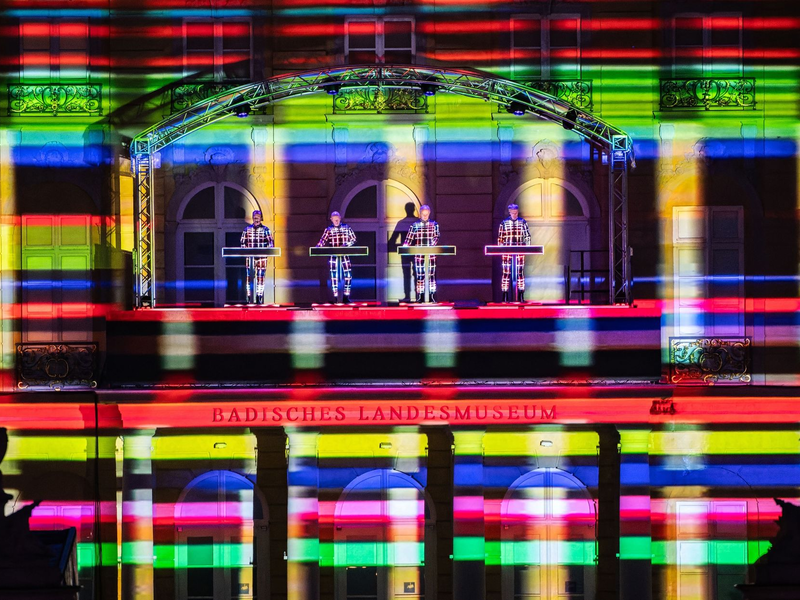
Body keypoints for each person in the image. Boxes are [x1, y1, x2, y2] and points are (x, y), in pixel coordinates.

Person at [317, 211, 357, 303]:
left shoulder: (346, 228)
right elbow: (322, 240)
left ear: (340, 219)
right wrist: (318, 247)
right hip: (333, 255)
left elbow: (353, 239)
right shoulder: (329, 229)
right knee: (333, 276)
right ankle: (335, 297)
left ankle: (346, 296)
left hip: (345, 254)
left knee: (348, 275)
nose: (336, 221)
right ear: (331, 220)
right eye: (334, 219)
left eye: (337, 219)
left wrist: (345, 245)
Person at [404, 204, 440, 303]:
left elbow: (436, 236)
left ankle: (432, 296)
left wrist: (431, 246)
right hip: (419, 253)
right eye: (423, 214)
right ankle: (420, 296)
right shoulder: (415, 225)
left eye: (426, 214)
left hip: (431, 254)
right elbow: (409, 237)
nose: (425, 216)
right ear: (420, 214)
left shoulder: (434, 224)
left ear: (429, 214)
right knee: (420, 275)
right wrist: (405, 246)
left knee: (431, 275)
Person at [498, 203, 531, 302]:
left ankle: (521, 294)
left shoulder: (522, 222)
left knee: (520, 272)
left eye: (516, 212)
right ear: (509, 212)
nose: (514, 214)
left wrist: (527, 247)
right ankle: (505, 294)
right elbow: (500, 238)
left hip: (520, 248)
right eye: (513, 212)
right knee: (506, 272)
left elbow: (527, 236)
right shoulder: (504, 223)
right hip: (506, 250)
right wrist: (500, 249)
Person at [240, 209, 273, 304]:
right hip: (250, 259)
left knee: (260, 277)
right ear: (252, 218)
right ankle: (249, 296)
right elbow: (242, 242)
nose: (256, 220)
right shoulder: (247, 229)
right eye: (255, 218)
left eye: (258, 218)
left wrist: (269, 250)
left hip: (262, 258)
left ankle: (259, 296)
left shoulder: (266, 230)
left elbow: (271, 242)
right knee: (249, 277)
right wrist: (244, 251)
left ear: (261, 218)